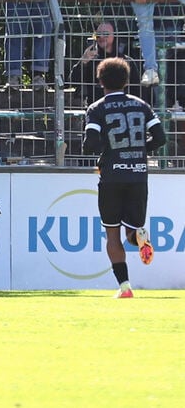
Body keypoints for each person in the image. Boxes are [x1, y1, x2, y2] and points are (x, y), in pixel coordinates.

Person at [83, 57, 166, 298]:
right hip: (138, 175)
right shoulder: (141, 105)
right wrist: (138, 150)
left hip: (111, 177)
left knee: (112, 232)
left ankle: (125, 287)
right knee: (132, 229)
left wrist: (111, 152)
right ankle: (139, 235)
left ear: (100, 82)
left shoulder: (96, 108)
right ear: (127, 81)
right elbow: (160, 138)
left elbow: (91, 143)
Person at [69, 20, 141, 106]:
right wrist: (83, 61)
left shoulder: (126, 61)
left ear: (115, 35)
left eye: (106, 34)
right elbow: (73, 82)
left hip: (123, 109)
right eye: (98, 35)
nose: (102, 37)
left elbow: (138, 91)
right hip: (97, 111)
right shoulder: (90, 60)